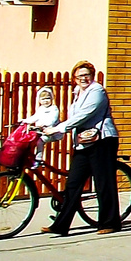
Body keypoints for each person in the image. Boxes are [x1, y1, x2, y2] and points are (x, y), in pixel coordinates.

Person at [42, 61, 121, 236]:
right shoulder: (77, 93)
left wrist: (59, 128)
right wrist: (54, 130)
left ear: (92, 76)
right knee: (73, 183)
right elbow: (74, 119)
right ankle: (60, 225)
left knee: (103, 182)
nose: (83, 78)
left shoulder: (97, 91)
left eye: (87, 75)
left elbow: (85, 115)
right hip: (83, 142)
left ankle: (110, 222)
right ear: (74, 79)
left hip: (102, 140)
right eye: (79, 76)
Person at [24, 88, 61, 165]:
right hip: (41, 131)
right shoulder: (41, 109)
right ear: (39, 100)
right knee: (30, 140)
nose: (46, 101)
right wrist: (26, 121)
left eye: (48, 98)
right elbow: (35, 117)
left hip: (52, 133)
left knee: (40, 141)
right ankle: (29, 157)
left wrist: (44, 124)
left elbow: (53, 119)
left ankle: (38, 158)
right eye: (43, 99)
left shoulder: (54, 109)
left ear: (52, 98)